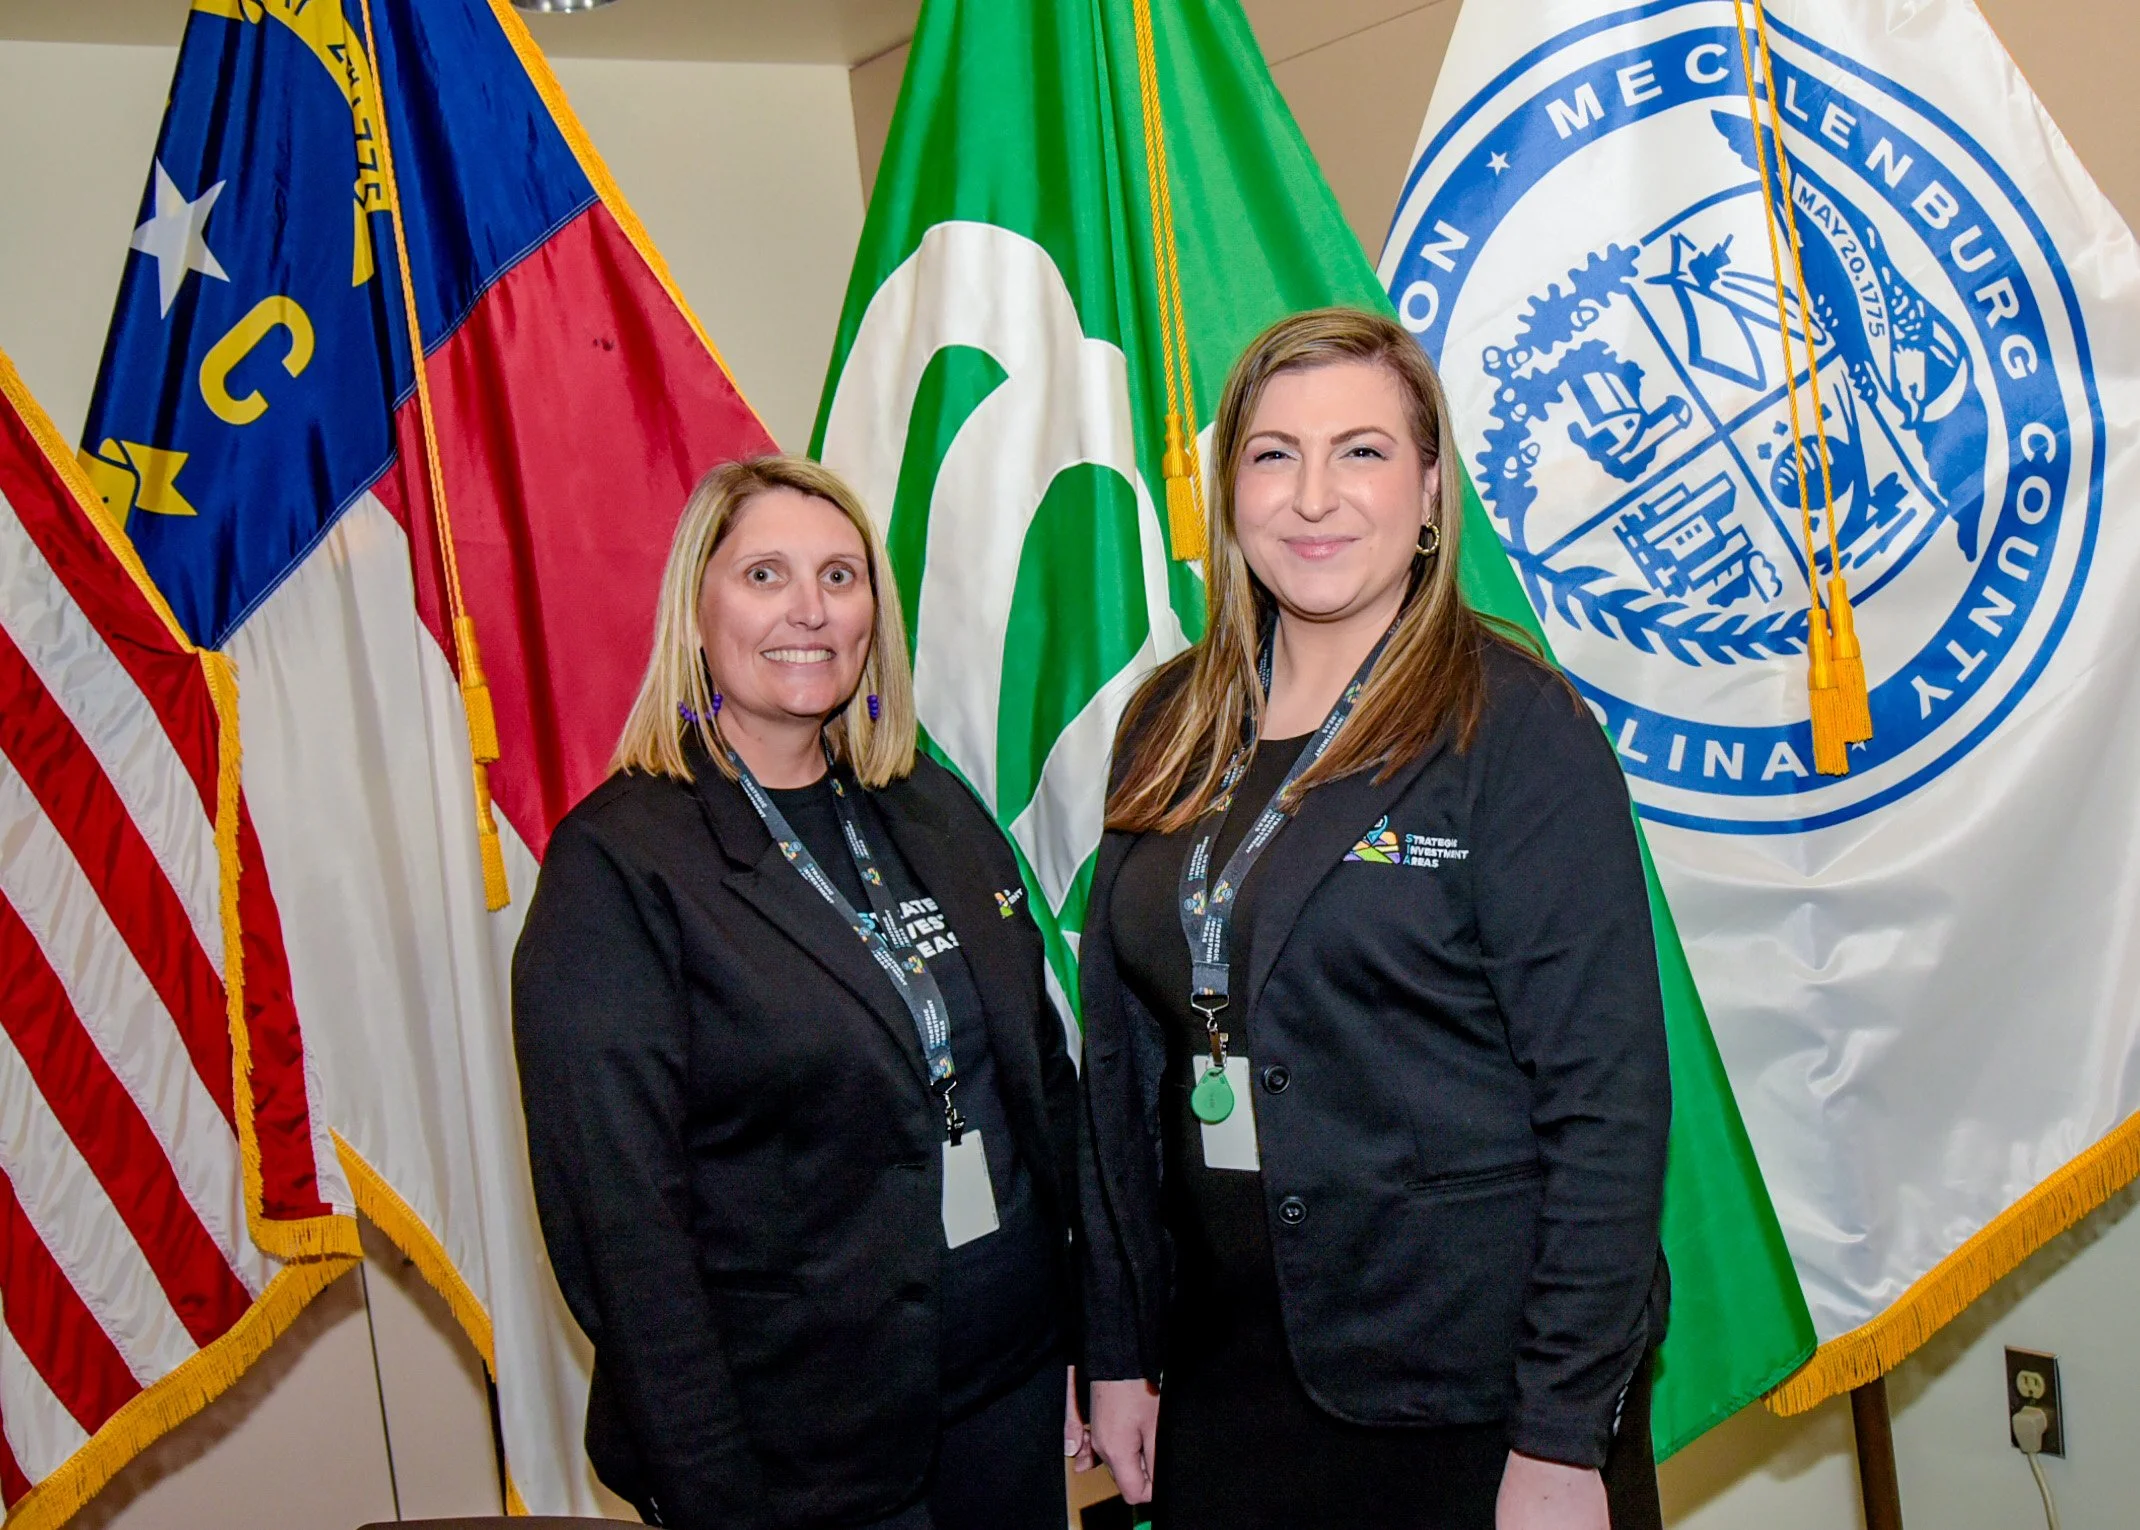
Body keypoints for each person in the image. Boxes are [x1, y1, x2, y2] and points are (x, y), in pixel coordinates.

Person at [1078, 309, 1671, 1530]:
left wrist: (1563, 1438)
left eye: (1360, 452)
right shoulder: (1166, 721)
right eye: (1272, 454)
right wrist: (1121, 1340)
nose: (1313, 498)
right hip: (1226, 1380)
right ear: (1228, 491)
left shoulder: (1514, 729)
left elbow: (1605, 1105)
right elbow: (1125, 1064)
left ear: (1429, 490)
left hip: (1467, 1402)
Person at [513, 455, 1089, 1530]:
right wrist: (712, 1491)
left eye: (840, 576)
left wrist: (1083, 1334)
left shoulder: (928, 806)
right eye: (766, 575)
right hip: (797, 1454)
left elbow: (1037, 1088)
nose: (811, 612)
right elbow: (623, 1227)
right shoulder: (618, 866)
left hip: (1006, 1395)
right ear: (696, 612)